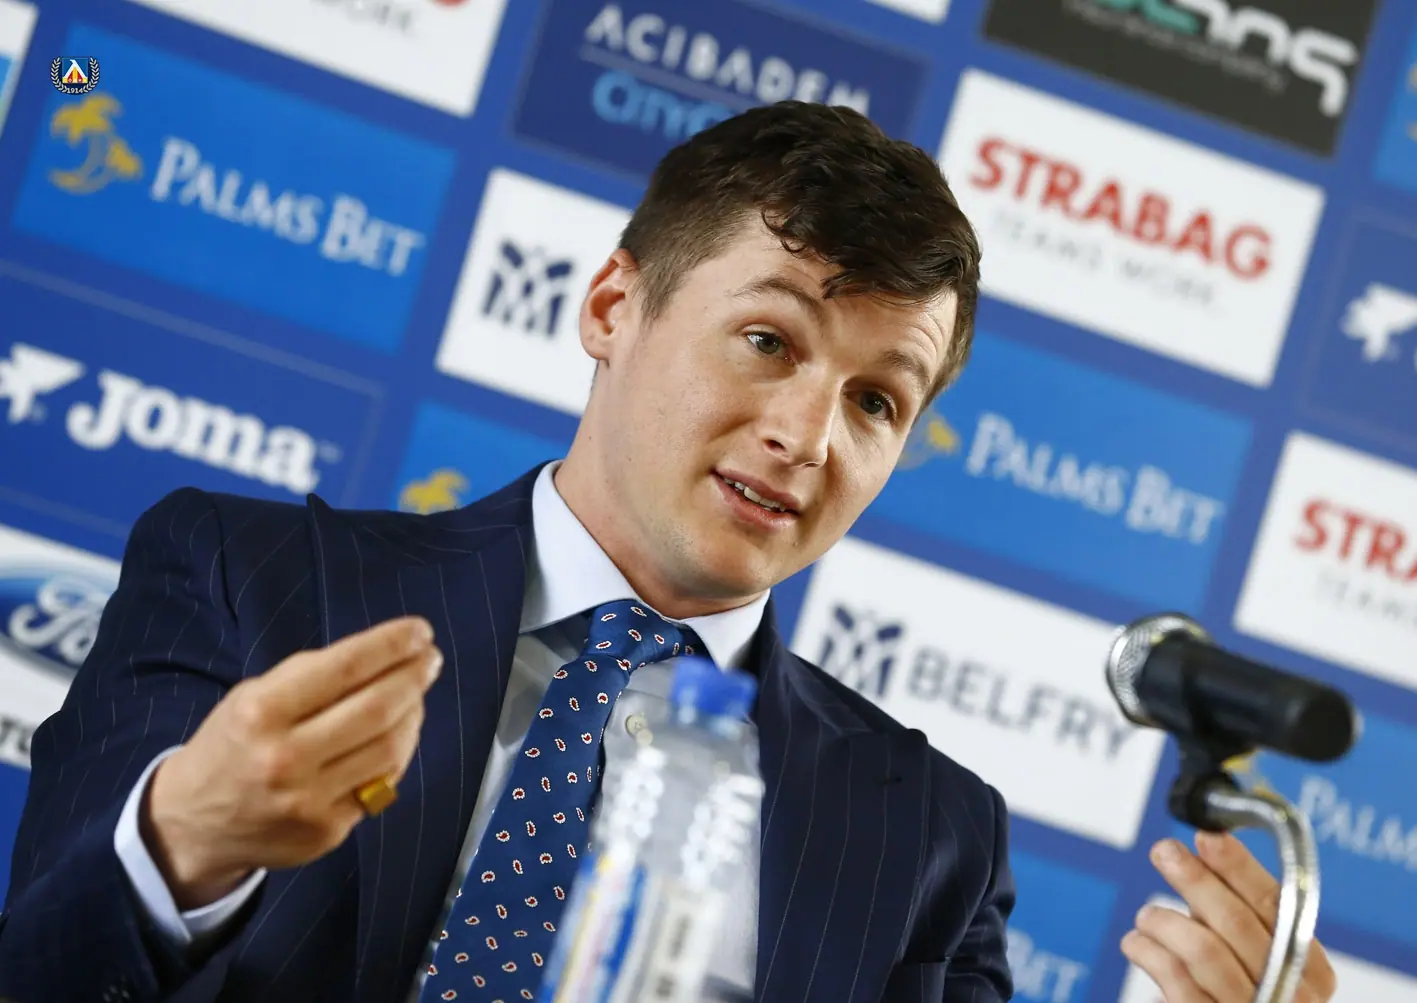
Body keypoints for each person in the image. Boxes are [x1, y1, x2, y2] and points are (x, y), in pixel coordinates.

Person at [0, 101, 1337, 1003]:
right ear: (610, 305)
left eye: (879, 402)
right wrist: (179, 846)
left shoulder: (931, 836)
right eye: (767, 340)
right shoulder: (251, 580)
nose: (808, 434)